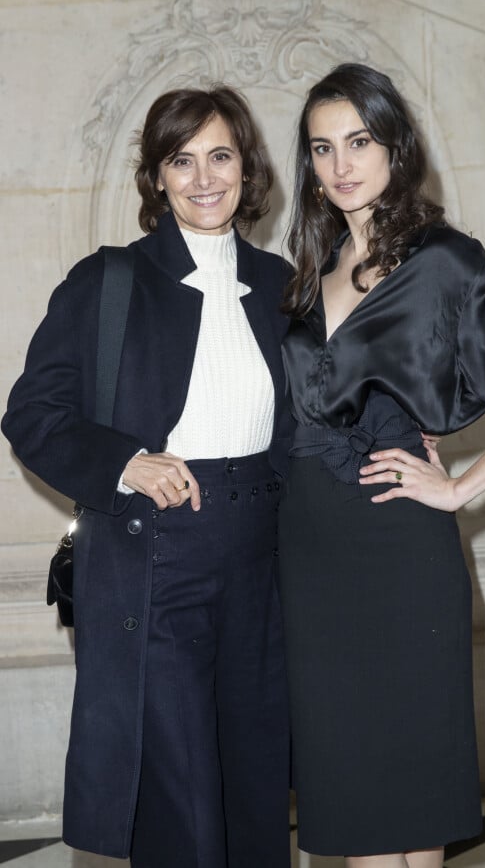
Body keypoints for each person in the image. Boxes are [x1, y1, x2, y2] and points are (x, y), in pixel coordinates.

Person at [278, 62, 485, 868]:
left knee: (403, 806)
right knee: (368, 806)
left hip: (401, 551)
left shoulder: (445, 261)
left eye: (360, 141)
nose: (341, 164)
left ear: (396, 147)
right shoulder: (311, 270)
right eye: (321, 148)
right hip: (310, 559)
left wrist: (459, 489)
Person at [2, 85, 294, 868]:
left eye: (220, 156)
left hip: (263, 562)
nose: (204, 178)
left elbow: (320, 421)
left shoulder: (282, 287)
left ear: (247, 167)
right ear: (157, 177)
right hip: (157, 561)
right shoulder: (107, 281)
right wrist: (123, 461)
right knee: (179, 795)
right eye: (182, 159)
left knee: (254, 787)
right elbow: (33, 414)